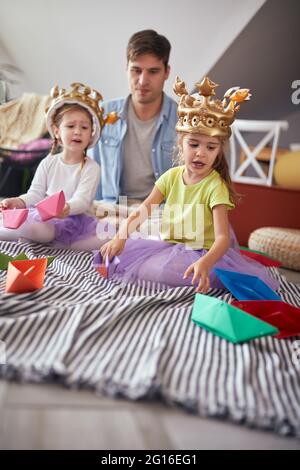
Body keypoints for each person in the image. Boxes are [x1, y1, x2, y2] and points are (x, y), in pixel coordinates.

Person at [99, 76, 279, 293]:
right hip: (171, 246)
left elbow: (222, 239)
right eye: (193, 144)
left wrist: (205, 262)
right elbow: (142, 210)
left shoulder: (215, 186)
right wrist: (120, 237)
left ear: (218, 151)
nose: (201, 153)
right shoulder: (171, 177)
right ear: (181, 143)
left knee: (161, 272)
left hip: (203, 251)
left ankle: (207, 274)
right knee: (139, 266)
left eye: (211, 147)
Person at [0, 82, 117, 249]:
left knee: (108, 234)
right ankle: (18, 230)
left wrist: (67, 208)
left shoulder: (91, 167)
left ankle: (36, 236)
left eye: (84, 127)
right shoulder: (49, 162)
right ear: (57, 131)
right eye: (70, 126)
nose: (77, 131)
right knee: (43, 229)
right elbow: (35, 194)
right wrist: (18, 201)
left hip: (74, 218)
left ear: (91, 134)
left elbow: (82, 200)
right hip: (44, 217)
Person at [90, 29, 178, 202]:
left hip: (161, 213)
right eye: (136, 70)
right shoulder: (103, 114)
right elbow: (92, 173)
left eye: (153, 71)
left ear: (166, 72)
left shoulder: (183, 119)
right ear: (126, 69)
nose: (143, 81)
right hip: (112, 208)